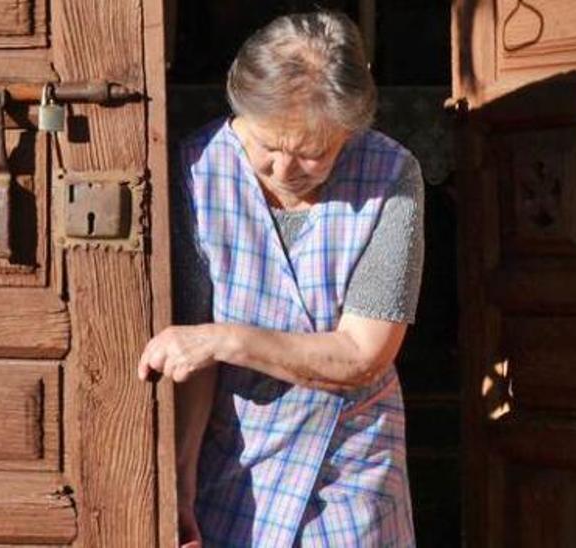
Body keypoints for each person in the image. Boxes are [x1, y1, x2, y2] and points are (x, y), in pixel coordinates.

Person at [137, 11, 423, 547]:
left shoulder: (391, 175)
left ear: (349, 131)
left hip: (347, 466)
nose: (284, 170)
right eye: (267, 146)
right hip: (235, 460)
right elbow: (193, 356)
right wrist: (180, 478)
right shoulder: (197, 171)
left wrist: (226, 339)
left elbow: (364, 356)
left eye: (314, 154)